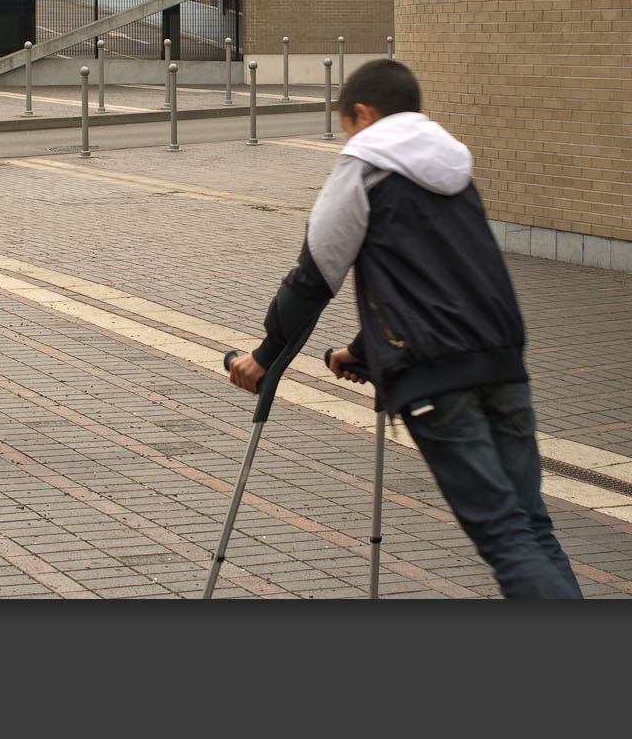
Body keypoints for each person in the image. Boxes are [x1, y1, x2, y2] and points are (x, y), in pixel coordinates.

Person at [224, 58, 583, 598]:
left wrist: (265, 354)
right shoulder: (453, 170)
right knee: (530, 524)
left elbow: (314, 276)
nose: (346, 137)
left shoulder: (364, 167)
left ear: (363, 114)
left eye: (345, 124)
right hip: (501, 361)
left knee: (504, 535)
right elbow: (438, 282)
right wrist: (361, 349)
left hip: (436, 377)